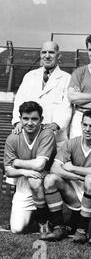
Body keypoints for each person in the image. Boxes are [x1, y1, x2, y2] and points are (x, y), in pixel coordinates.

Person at [43, 110, 91, 243]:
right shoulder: (71, 143)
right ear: (80, 124)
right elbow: (54, 169)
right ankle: (59, 227)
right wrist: (76, 176)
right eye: (85, 125)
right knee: (49, 179)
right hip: (73, 190)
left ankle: (82, 230)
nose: (87, 129)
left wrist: (73, 168)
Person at [4, 101, 56, 237]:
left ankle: (43, 221)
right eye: (25, 119)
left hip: (45, 180)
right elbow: (8, 171)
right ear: (20, 119)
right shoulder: (13, 138)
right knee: (17, 228)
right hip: (23, 181)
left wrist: (16, 162)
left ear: (41, 120)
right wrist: (24, 171)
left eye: (34, 119)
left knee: (36, 180)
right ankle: (34, 217)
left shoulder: (47, 134)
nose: (30, 123)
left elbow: (39, 165)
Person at [11, 41, 72, 148]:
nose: (47, 56)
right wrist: (17, 122)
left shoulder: (67, 78)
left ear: (58, 55)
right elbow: (19, 101)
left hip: (55, 137)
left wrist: (56, 125)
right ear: (40, 54)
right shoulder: (30, 76)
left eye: (51, 52)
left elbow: (67, 106)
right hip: (29, 134)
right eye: (44, 52)